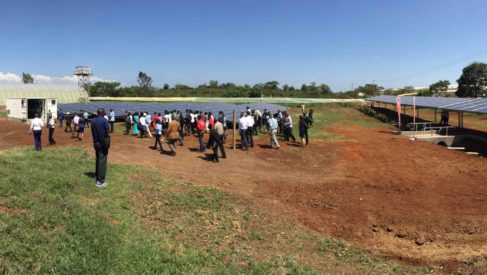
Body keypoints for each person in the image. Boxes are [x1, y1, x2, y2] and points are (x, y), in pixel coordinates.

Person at [91, 107, 110, 187]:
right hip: (102, 143)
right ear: (102, 113)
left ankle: (97, 175)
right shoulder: (104, 120)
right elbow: (107, 130)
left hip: (95, 143)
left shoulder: (93, 121)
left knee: (98, 159)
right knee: (102, 160)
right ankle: (100, 181)